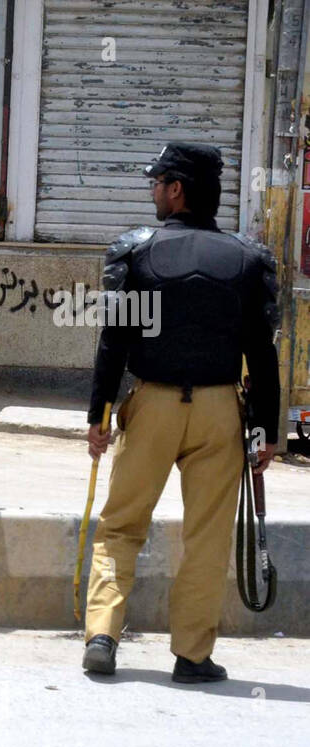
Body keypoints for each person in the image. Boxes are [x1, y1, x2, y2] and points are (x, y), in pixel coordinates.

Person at [81, 143, 280, 683]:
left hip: (153, 405)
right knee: (208, 537)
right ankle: (192, 656)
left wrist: (98, 415)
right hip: (220, 410)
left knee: (120, 528)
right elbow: (262, 353)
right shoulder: (247, 259)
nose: (152, 191)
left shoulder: (134, 252)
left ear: (176, 189)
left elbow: (114, 342)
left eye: (157, 182)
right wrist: (265, 432)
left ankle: (102, 634)